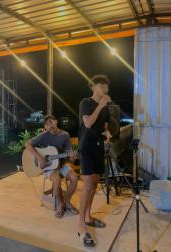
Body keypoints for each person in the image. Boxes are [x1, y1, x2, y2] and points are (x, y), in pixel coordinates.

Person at [78, 75, 112, 247]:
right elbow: (89, 123)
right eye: (101, 86)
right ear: (93, 87)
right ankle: (81, 226)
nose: (105, 90)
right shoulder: (86, 102)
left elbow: (103, 126)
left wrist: (107, 134)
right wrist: (101, 104)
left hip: (98, 147)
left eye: (106, 87)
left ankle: (88, 216)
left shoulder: (105, 108)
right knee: (88, 184)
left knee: (95, 184)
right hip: (86, 148)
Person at [26, 115, 78, 218]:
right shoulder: (44, 136)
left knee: (74, 178)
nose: (50, 125)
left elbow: (69, 156)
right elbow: (28, 145)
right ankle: (60, 204)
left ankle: (66, 201)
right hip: (49, 166)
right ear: (45, 126)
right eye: (47, 124)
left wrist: (72, 157)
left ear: (56, 121)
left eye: (51, 122)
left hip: (62, 163)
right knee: (57, 180)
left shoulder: (65, 135)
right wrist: (40, 158)